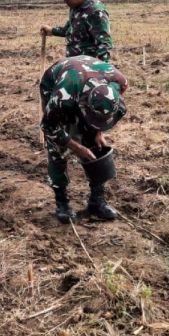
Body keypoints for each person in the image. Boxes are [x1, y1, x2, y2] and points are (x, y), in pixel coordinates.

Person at [40, 56, 127, 223]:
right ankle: (62, 203)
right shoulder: (63, 97)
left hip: (86, 80)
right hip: (57, 82)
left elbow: (104, 112)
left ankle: (97, 201)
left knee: (94, 143)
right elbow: (49, 127)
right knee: (57, 149)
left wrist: (98, 131)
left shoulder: (118, 82)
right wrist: (74, 146)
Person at [39, 0, 113, 63]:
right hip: (75, 64)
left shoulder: (96, 11)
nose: (66, 1)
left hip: (88, 66)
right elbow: (69, 30)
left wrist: (100, 68)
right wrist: (52, 31)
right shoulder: (75, 7)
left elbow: (104, 45)